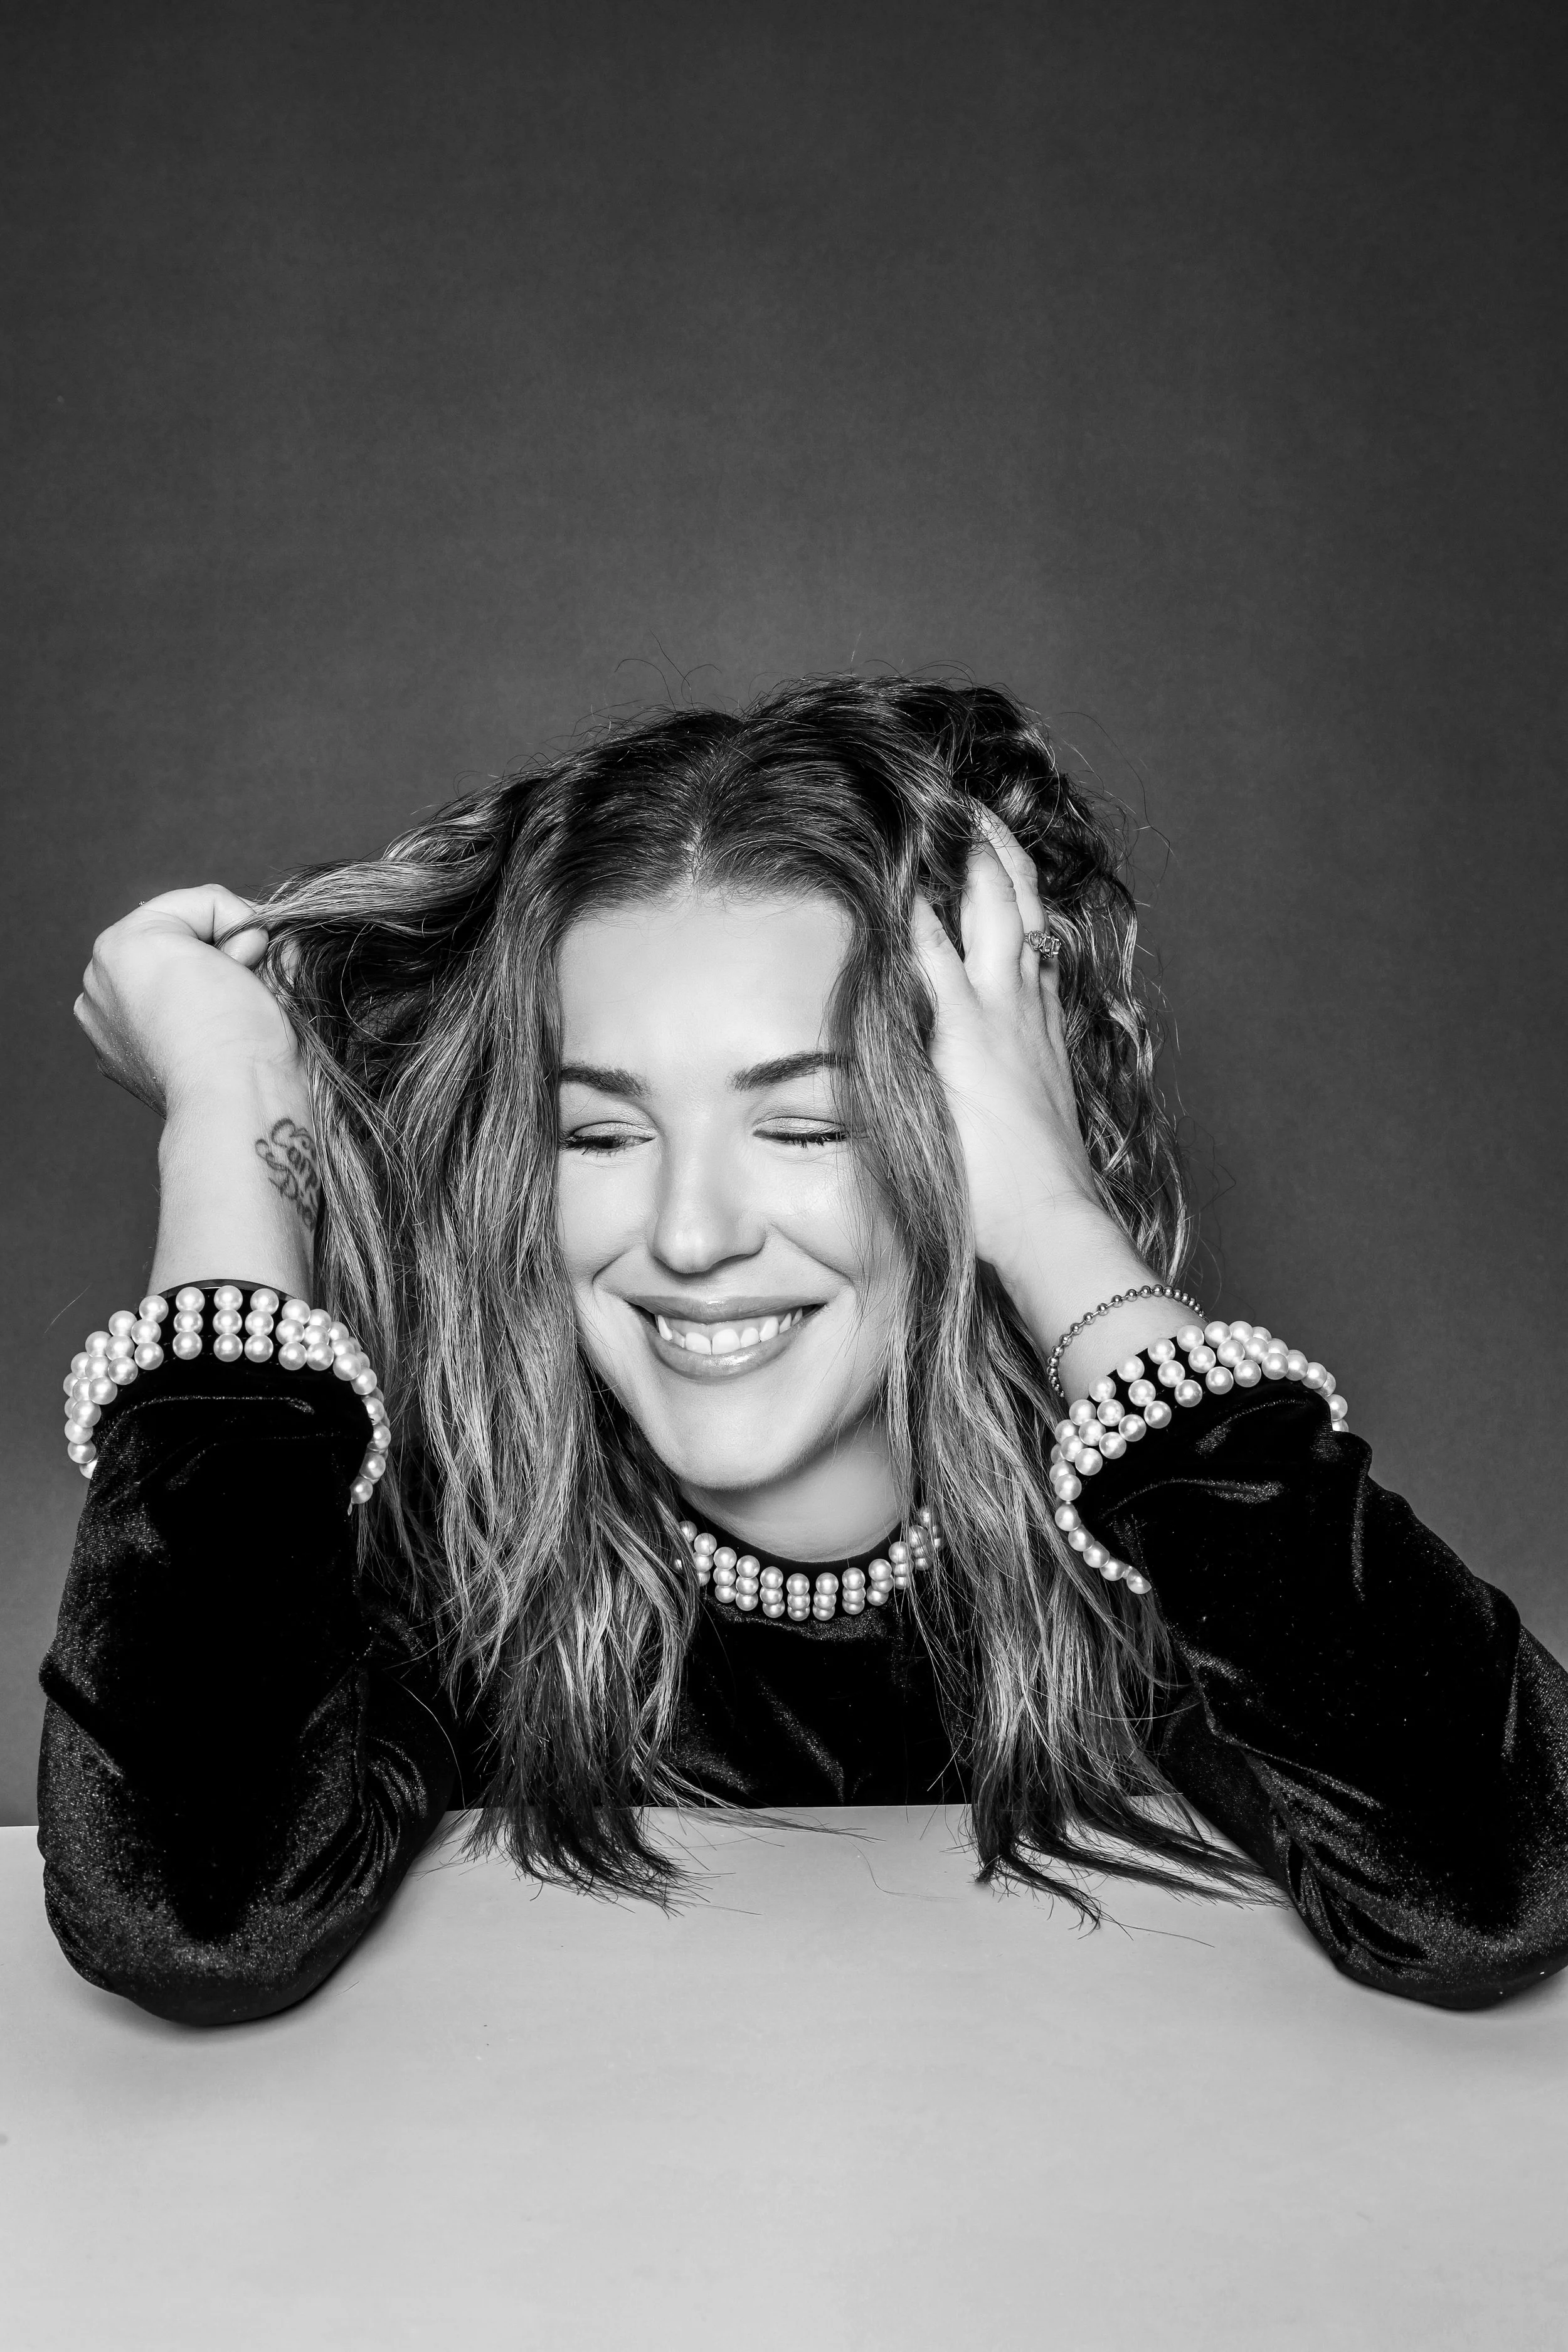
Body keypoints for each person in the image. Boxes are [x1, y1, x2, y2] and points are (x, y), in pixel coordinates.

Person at [40, 676, 1568, 2026]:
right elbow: (193, 1913)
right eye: (600, 1129)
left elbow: (1490, 1883)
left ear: (964, 1135)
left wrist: (1046, 1212)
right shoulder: (464, 1565)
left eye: (803, 1123)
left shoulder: (1153, 1567)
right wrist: (238, 1133)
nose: (690, 1234)